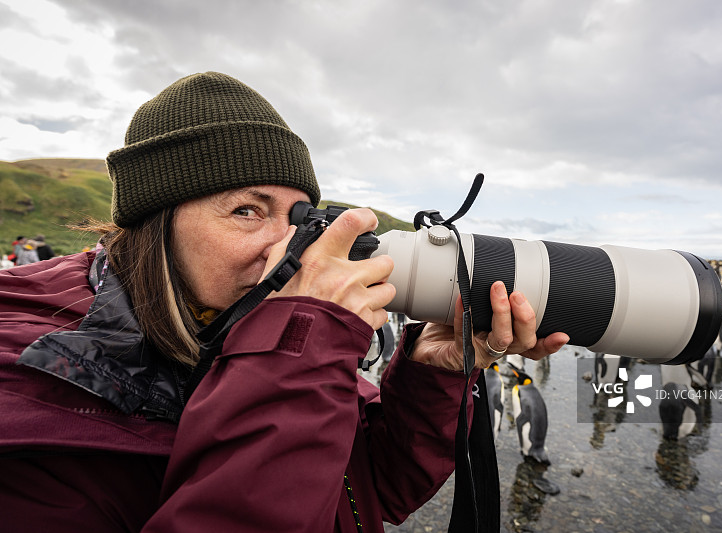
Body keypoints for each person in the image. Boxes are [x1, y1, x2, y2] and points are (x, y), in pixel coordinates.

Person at [0, 72, 568, 532]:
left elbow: (370, 490)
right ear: (156, 223)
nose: (286, 249)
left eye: (297, 219)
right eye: (247, 210)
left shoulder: (254, 321)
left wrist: (428, 377)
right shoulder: (31, 385)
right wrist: (296, 353)